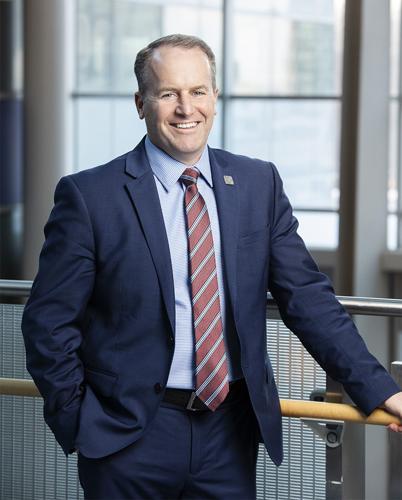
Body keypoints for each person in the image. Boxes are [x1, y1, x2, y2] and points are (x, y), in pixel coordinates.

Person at [22, 33, 402, 500]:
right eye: (168, 93)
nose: (186, 108)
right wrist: (78, 419)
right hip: (127, 436)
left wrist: (382, 390)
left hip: (228, 434)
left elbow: (308, 299)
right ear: (141, 104)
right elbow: (48, 322)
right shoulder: (90, 197)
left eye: (198, 91)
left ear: (215, 98)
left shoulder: (258, 183)